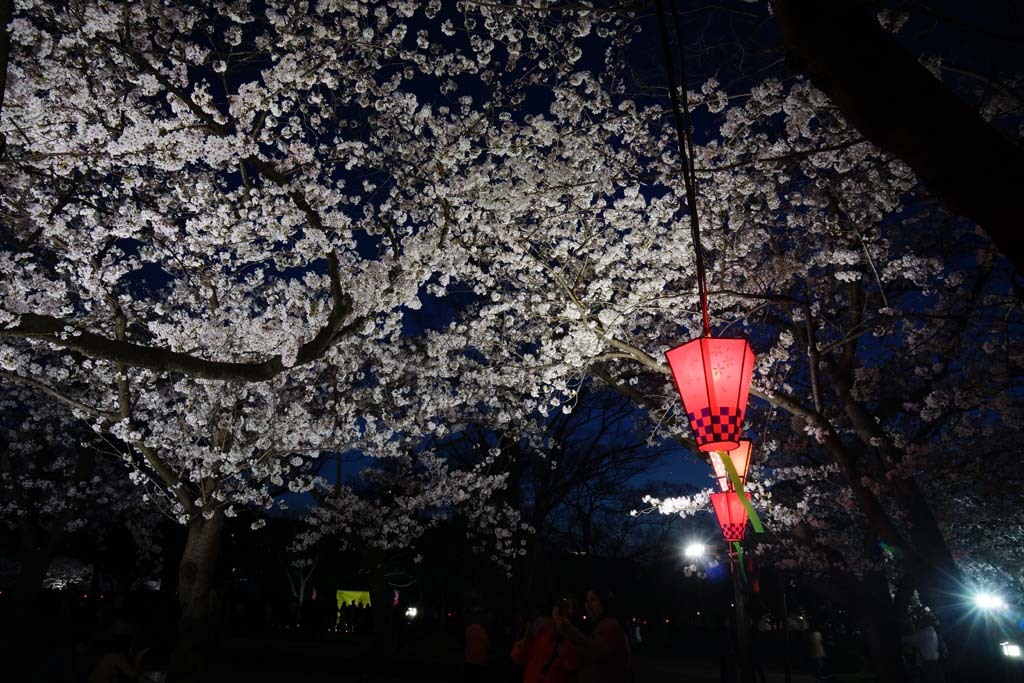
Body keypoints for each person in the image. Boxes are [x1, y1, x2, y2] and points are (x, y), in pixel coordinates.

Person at [552, 588, 630, 683]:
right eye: (586, 601)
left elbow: (597, 650)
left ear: (604, 602)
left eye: (593, 600)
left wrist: (568, 630)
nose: (588, 605)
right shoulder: (599, 627)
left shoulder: (610, 625)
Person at [510, 595, 582, 683]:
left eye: (568, 606)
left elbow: (572, 666)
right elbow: (518, 659)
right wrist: (523, 644)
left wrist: (565, 651)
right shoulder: (541, 628)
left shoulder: (575, 636)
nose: (564, 610)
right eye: (562, 605)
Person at [903, 613, 946, 683]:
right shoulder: (933, 632)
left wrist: (899, 638)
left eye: (922, 620)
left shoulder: (925, 633)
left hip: (929, 665)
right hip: (936, 664)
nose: (920, 622)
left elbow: (911, 640)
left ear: (925, 622)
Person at [463, 609, 490, 683]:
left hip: (469, 660)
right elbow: (487, 646)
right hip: (479, 661)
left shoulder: (468, 629)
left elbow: (465, 642)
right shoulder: (483, 631)